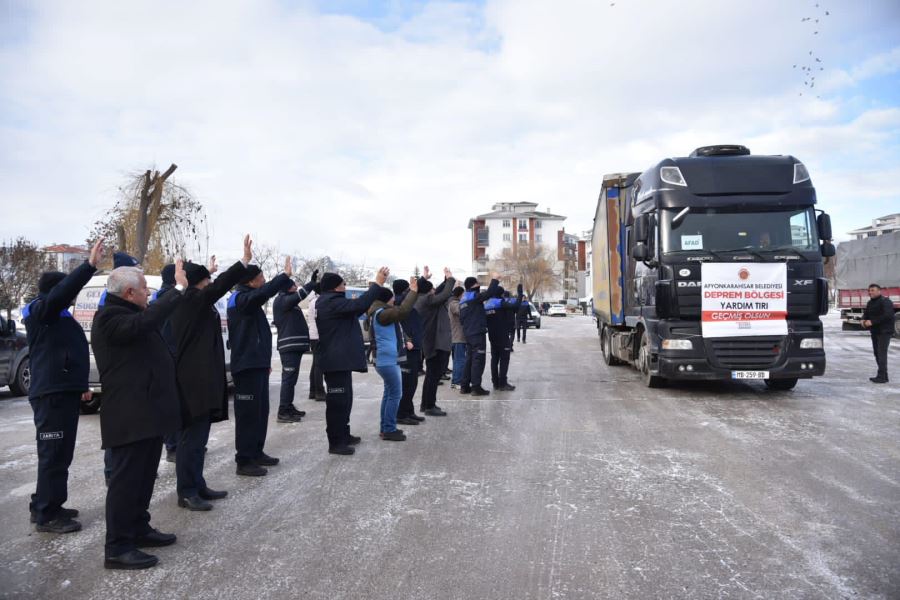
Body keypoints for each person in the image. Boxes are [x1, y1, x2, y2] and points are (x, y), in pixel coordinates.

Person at [92, 260, 188, 570]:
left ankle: (138, 528)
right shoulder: (109, 318)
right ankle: (118, 546)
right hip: (129, 415)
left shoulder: (133, 313)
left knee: (145, 476)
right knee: (126, 481)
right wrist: (177, 289)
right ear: (130, 292)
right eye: (145, 289)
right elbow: (143, 325)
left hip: (148, 413)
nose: (150, 294)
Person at [23, 238, 103, 534]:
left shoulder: (56, 314)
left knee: (60, 453)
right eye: (68, 292)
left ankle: (46, 503)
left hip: (63, 390)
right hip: (51, 394)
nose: (72, 298)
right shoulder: (42, 311)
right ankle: (47, 514)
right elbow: (61, 295)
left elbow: (69, 352)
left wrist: (79, 384)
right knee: (53, 454)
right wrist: (89, 267)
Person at [170, 239, 251, 511]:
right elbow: (218, 287)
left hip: (202, 379)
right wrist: (242, 263)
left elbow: (213, 287)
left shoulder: (196, 300)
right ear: (199, 283)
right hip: (192, 381)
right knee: (190, 440)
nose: (210, 284)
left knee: (198, 440)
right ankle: (187, 491)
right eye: (207, 280)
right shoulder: (191, 299)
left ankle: (197, 483)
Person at [227, 257, 294, 476]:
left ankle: (256, 451)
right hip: (246, 366)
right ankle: (244, 460)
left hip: (257, 364)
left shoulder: (250, 299)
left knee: (260, 411)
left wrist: (265, 362)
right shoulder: (240, 299)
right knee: (247, 414)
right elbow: (263, 293)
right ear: (251, 281)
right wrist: (283, 276)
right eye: (261, 278)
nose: (264, 281)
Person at [315, 267, 388, 455]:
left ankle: (343, 435)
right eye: (343, 284)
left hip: (340, 360)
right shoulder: (329, 302)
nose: (345, 287)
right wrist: (377, 283)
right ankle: (336, 442)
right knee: (337, 403)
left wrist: (356, 304)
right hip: (335, 361)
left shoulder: (331, 302)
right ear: (335, 287)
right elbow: (359, 305)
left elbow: (356, 308)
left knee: (345, 400)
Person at [368, 279, 418, 440]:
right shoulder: (382, 313)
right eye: (391, 298)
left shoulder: (379, 312)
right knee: (396, 394)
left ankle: (385, 428)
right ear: (386, 300)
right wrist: (413, 292)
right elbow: (403, 311)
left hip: (385, 360)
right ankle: (389, 429)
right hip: (387, 360)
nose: (394, 300)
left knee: (389, 394)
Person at [273, 270, 319, 423]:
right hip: (289, 348)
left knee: (291, 379)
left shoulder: (288, 301)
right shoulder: (282, 300)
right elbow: (300, 295)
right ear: (286, 288)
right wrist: (311, 284)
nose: (296, 287)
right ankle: (283, 410)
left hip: (294, 348)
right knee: (288, 379)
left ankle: (288, 406)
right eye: (293, 286)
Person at [418, 267, 457, 417]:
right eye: (433, 289)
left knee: (430, 375)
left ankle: (425, 404)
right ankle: (429, 406)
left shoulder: (419, 297)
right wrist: (451, 280)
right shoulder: (427, 300)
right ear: (429, 292)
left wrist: (444, 280)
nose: (435, 291)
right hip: (433, 342)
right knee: (433, 375)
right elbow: (444, 294)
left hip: (428, 341)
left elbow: (439, 293)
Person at [458, 273, 500, 396]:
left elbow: (461, 319)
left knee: (469, 360)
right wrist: (495, 279)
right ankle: (476, 387)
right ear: (472, 286)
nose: (479, 285)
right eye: (477, 283)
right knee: (478, 360)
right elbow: (489, 293)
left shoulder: (463, 299)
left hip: (468, 333)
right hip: (477, 333)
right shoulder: (474, 297)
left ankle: (464, 386)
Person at [154, 263, 179, 463]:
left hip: (170, 352)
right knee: (172, 402)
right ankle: (172, 446)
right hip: (169, 354)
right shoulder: (166, 296)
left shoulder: (161, 295)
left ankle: (176, 443)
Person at [393, 276, 425, 424]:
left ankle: (409, 411)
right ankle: (401, 414)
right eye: (409, 288)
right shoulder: (399, 302)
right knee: (407, 384)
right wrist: (421, 279)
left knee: (412, 383)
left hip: (415, 348)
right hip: (407, 349)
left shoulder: (407, 304)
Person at [487, 284, 523, 392]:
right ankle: (503, 383)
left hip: (492, 336)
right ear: (502, 294)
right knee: (504, 359)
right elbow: (516, 306)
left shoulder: (487, 304)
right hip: (502, 336)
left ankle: (495, 383)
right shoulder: (500, 303)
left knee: (494, 359)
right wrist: (520, 294)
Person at [863, 283, 895, 384]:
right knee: (877, 353)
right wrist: (863, 320)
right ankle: (884, 376)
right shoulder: (870, 303)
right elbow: (866, 314)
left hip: (885, 331)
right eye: (869, 290)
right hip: (875, 331)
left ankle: (881, 376)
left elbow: (888, 315)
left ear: (879, 291)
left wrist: (872, 322)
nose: (870, 292)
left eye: (872, 290)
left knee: (881, 353)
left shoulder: (885, 301)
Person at [307, 287, 327, 401]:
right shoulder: (317, 302)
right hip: (318, 336)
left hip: (314, 335)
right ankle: (319, 391)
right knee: (319, 365)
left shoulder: (313, 301)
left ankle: (313, 390)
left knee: (316, 364)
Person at [448, 286, 467, 390]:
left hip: (459, 337)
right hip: (458, 337)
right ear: (460, 294)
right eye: (463, 294)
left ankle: (458, 380)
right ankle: (456, 381)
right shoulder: (454, 304)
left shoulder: (455, 302)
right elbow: (461, 310)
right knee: (459, 360)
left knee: (458, 360)